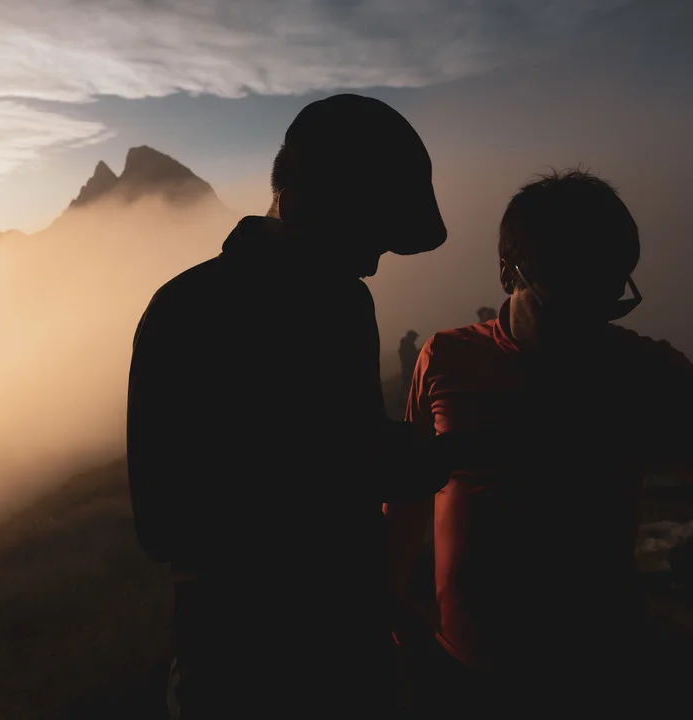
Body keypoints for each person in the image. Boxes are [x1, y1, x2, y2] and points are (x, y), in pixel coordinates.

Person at [127, 93, 461, 719]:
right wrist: (399, 461)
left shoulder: (199, 303)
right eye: (367, 233)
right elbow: (169, 521)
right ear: (304, 201)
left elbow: (343, 446)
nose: (374, 262)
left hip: (302, 652)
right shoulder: (211, 311)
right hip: (254, 664)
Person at [385, 169, 693, 717]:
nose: (588, 322)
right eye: (566, 301)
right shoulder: (445, 357)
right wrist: (390, 605)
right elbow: (408, 493)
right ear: (508, 272)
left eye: (608, 297)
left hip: (601, 670)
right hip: (463, 668)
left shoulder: (650, 370)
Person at [398, 330, 421, 414]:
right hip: (408, 369)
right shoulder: (407, 346)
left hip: (408, 369)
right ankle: (403, 403)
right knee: (407, 386)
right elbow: (409, 358)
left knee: (407, 386)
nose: (415, 339)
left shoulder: (406, 345)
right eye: (415, 337)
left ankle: (404, 402)